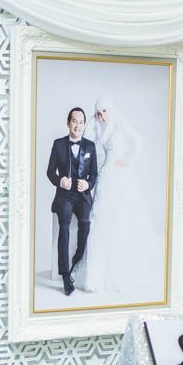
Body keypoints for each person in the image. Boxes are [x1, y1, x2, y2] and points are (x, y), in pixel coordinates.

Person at [78, 95, 143, 294]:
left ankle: (118, 276)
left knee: (119, 221)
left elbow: (139, 142)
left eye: (105, 111)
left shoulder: (120, 124)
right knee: (98, 220)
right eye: (98, 113)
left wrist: (127, 161)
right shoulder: (98, 127)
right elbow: (86, 140)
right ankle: (93, 278)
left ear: (111, 109)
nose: (102, 116)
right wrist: (92, 120)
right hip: (105, 176)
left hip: (120, 178)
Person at [46, 106, 98, 296]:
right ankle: (65, 275)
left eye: (81, 122)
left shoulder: (90, 146)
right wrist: (60, 180)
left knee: (85, 223)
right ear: (68, 123)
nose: (77, 125)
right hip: (65, 196)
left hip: (83, 196)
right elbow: (50, 172)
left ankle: (76, 259)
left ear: (84, 125)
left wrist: (88, 184)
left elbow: (94, 175)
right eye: (74, 121)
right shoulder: (58, 144)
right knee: (65, 225)